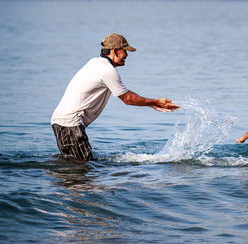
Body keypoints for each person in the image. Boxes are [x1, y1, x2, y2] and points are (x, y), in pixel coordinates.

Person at [51, 33, 180, 161]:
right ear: (115, 51)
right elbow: (127, 99)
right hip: (70, 123)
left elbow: (125, 92)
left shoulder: (94, 63)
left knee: (72, 164)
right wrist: (156, 102)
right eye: (125, 51)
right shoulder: (108, 71)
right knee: (82, 167)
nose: (127, 55)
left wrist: (153, 103)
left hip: (61, 120)